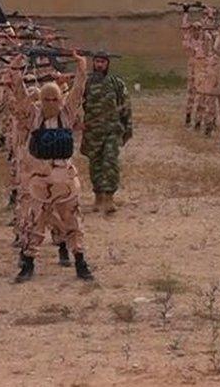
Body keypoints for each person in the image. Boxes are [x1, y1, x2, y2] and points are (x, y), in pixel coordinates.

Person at [9, 51, 95, 282]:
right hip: (40, 180)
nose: (50, 104)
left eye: (54, 99)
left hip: (65, 179)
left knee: (73, 222)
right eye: (46, 100)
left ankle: (80, 260)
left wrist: (81, 68)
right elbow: (18, 93)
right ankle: (28, 263)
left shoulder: (66, 114)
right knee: (34, 223)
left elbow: (77, 91)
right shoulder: (34, 116)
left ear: (60, 100)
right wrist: (16, 69)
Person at [81, 51, 132, 214]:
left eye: (102, 61)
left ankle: (109, 198)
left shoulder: (116, 83)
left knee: (110, 163)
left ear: (107, 64)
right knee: (95, 164)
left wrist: (127, 128)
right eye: (97, 61)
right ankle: (98, 197)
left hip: (112, 130)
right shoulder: (85, 83)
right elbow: (76, 104)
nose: (99, 64)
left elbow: (125, 107)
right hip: (93, 133)